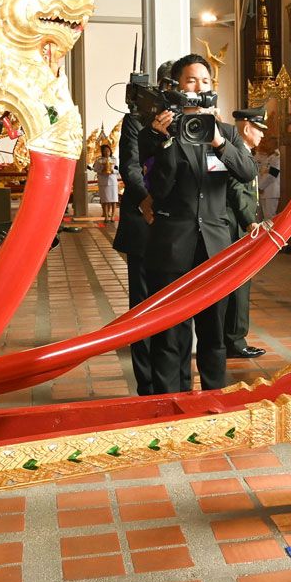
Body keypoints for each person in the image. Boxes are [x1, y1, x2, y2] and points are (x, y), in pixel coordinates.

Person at [143, 54, 257, 393]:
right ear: (177, 88)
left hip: (215, 249)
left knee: (214, 333)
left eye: (205, 81)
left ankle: (213, 400)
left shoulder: (224, 133)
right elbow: (158, 191)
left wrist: (219, 143)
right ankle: (166, 405)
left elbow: (247, 172)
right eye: (191, 81)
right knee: (169, 334)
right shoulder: (161, 132)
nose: (199, 87)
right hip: (172, 247)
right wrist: (165, 142)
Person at [113, 60, 174, 397]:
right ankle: (148, 383)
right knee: (144, 305)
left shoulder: (186, 120)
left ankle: (171, 379)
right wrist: (146, 199)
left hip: (177, 226)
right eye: (162, 85)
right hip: (144, 222)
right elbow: (131, 167)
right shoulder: (134, 122)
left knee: (175, 304)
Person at [223, 106, 268, 360]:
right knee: (239, 284)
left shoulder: (242, 151)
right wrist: (250, 221)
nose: (262, 135)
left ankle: (232, 338)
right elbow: (236, 190)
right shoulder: (238, 152)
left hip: (239, 225)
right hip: (237, 227)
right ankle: (235, 340)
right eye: (259, 130)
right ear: (247, 128)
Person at [94, 143, 119, 222]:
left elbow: (117, 170)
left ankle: (113, 215)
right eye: (105, 151)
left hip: (112, 181)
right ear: (102, 152)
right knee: (105, 199)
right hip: (103, 181)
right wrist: (102, 169)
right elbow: (96, 169)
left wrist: (112, 170)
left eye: (108, 151)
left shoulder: (114, 160)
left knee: (113, 199)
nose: (107, 152)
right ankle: (106, 215)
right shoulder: (99, 160)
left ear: (110, 151)